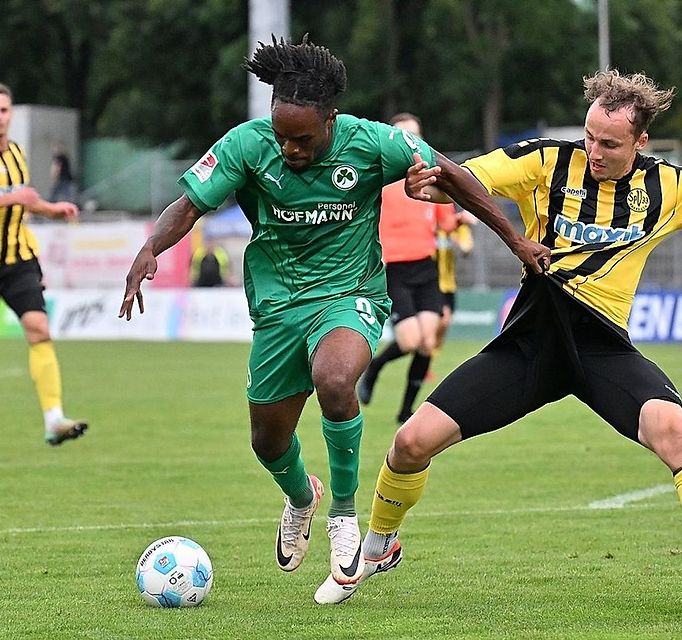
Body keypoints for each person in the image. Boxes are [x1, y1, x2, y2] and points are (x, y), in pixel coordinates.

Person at [313, 69, 682, 611]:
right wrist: (432, 184)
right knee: (410, 443)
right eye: (589, 137)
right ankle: (378, 545)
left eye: (609, 144)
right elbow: (470, 177)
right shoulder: (546, 162)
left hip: (601, 349)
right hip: (531, 343)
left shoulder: (672, 187)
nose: (594, 151)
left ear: (641, 142)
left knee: (676, 432)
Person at [118, 37, 548, 595]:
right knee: (267, 442)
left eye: (302, 138)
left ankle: (343, 515)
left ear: (330, 119)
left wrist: (515, 240)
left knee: (336, 378)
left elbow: (455, 176)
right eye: (282, 136)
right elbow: (190, 206)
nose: (289, 148)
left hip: (351, 293)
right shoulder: (247, 145)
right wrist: (151, 247)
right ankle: (302, 497)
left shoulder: (373, 142)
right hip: (277, 306)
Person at [0, 83, 88, 446]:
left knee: (39, 329)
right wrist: (12, 198)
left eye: (4, 110)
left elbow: (26, 200)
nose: (0, 118)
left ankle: (54, 419)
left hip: (17, 260)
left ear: (11, 114)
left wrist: (52, 209)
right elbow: (16, 197)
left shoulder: (16, 154)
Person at [357, 113, 457, 425]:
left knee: (428, 342)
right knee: (411, 341)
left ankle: (405, 412)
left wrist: (462, 220)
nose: (408, 142)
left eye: (414, 135)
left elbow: (446, 223)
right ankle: (374, 367)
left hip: (426, 267)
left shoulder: (430, 180)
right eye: (402, 135)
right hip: (394, 269)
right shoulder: (378, 180)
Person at [434, 210, 476, 353]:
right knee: (442, 320)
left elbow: (466, 249)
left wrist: (455, 234)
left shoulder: (458, 227)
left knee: (444, 325)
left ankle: (429, 358)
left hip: (449, 284)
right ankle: (425, 357)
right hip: (432, 282)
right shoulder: (432, 224)